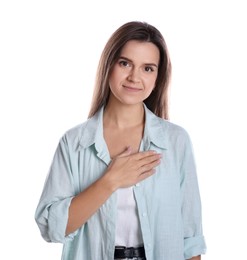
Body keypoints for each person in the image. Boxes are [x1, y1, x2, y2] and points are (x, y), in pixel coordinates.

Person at [35, 21, 206, 260]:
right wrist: (110, 181)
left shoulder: (176, 141)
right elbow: (51, 227)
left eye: (148, 68)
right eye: (125, 63)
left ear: (158, 77)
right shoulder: (74, 143)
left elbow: (191, 237)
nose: (134, 77)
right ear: (109, 65)